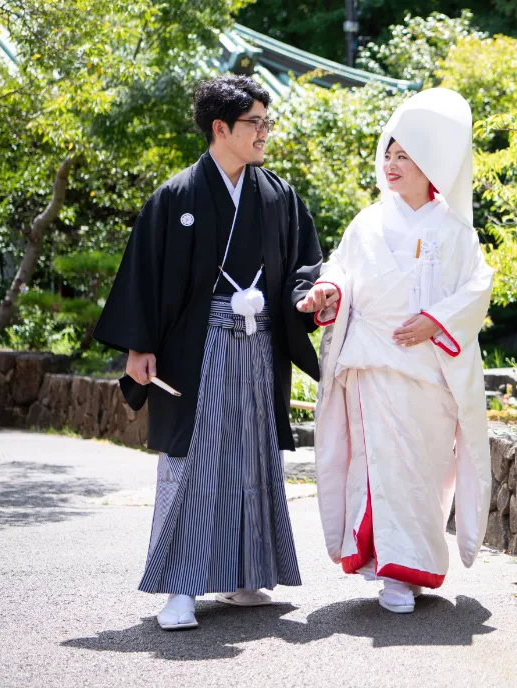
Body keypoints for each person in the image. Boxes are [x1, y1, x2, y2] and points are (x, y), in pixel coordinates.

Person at [93, 76, 324, 630]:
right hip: (197, 347)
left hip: (260, 343)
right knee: (194, 459)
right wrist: (139, 346)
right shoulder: (176, 197)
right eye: (254, 123)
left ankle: (245, 573)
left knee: (254, 455)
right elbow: (146, 275)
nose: (264, 132)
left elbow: (304, 265)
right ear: (221, 128)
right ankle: (180, 587)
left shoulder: (278, 195)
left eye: (266, 122)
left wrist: (312, 295)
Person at [296, 87, 493, 614]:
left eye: (404, 156)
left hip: (429, 368)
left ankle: (414, 563)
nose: (391, 164)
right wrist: (327, 291)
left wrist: (435, 321)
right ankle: (390, 570)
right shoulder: (367, 222)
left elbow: (477, 288)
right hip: (372, 363)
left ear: (430, 166)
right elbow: (341, 269)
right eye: (389, 154)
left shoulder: (455, 231)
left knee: (421, 467)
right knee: (376, 464)